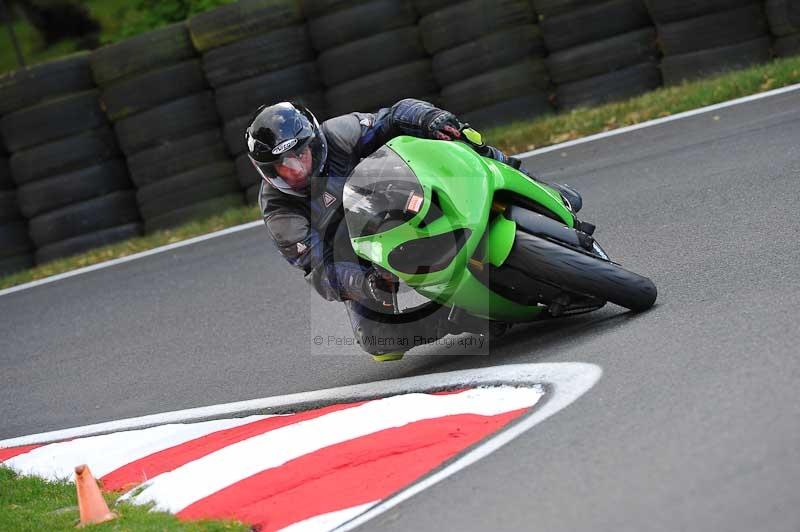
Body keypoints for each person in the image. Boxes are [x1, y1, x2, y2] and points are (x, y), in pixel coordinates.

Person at [246, 98, 582, 361]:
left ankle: (538, 187)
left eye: (300, 154)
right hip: (366, 249)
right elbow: (319, 269)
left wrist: (430, 119)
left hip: (402, 188)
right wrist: (365, 282)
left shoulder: (341, 134)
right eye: (283, 167)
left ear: (314, 140)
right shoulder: (280, 211)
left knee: (461, 137)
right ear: (267, 172)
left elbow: (393, 116)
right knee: (378, 342)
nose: (296, 169)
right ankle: (462, 315)